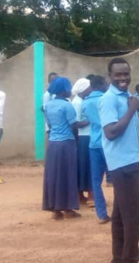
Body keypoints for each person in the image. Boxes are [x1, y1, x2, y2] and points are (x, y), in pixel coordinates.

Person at [99, 58, 139, 262]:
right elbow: (110, 132)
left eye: (126, 73)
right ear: (110, 76)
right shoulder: (109, 99)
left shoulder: (127, 96)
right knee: (134, 216)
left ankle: (118, 258)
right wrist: (132, 109)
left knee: (119, 216)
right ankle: (129, 258)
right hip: (123, 165)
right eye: (118, 74)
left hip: (131, 162)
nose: (123, 78)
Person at [42, 77, 81, 220]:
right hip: (66, 143)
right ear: (64, 90)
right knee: (68, 175)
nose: (70, 91)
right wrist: (76, 139)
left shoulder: (48, 106)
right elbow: (73, 126)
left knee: (53, 176)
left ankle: (55, 210)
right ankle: (68, 209)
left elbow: (50, 125)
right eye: (68, 88)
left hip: (52, 143)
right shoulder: (67, 106)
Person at [83, 76, 111, 224]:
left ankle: (101, 214)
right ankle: (120, 210)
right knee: (118, 177)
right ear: (102, 85)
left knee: (96, 180)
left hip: (94, 142)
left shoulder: (85, 102)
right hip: (108, 142)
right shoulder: (106, 99)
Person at [71, 78, 93, 205]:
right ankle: (90, 195)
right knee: (86, 166)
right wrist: (92, 120)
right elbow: (76, 123)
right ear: (84, 89)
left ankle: (80, 195)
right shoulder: (78, 103)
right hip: (83, 137)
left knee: (82, 166)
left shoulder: (80, 101)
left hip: (83, 137)